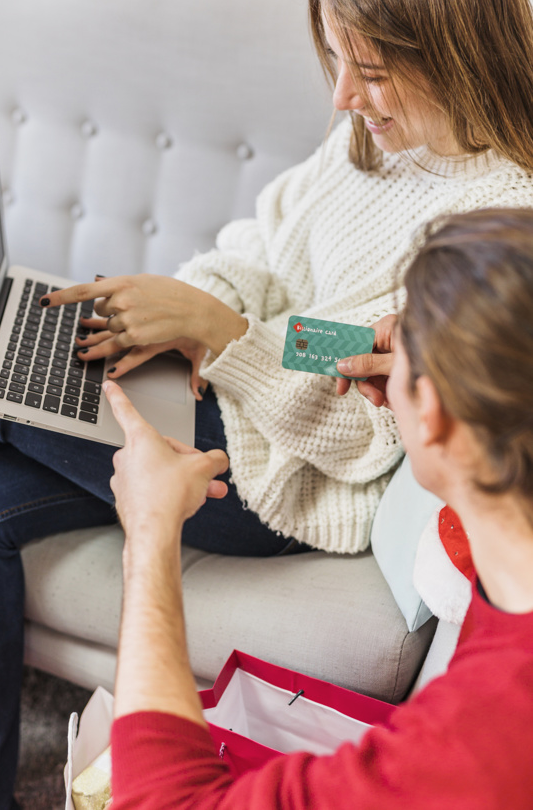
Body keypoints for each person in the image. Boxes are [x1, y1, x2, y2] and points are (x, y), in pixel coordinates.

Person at [0, 0, 533, 809]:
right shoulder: (370, 142)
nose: (344, 95)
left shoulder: (491, 224)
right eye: (337, 59)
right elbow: (262, 250)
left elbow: (358, 394)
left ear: (452, 51)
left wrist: (223, 335)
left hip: (283, 476)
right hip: (220, 396)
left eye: (371, 68)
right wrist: (189, 304)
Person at [107, 206, 533, 808]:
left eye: (406, 344)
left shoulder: (480, 735)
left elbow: (162, 803)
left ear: (433, 414)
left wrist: (149, 530)